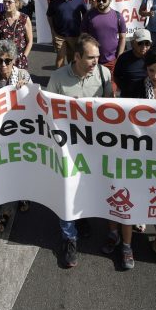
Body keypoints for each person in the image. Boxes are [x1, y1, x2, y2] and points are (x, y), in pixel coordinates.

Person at [102, 47, 156, 270]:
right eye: (151, 71)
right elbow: (123, 118)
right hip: (139, 155)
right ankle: (130, 232)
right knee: (137, 193)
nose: (155, 76)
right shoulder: (136, 87)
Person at [46, 34, 113, 268]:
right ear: (76, 56)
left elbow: (110, 108)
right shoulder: (57, 78)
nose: (96, 62)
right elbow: (47, 112)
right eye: (91, 57)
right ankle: (69, 238)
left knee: (85, 185)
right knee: (67, 188)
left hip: (93, 145)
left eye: (98, 57)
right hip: (66, 147)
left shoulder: (104, 74)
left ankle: (80, 218)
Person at [0, 39, 32, 231]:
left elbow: (35, 101)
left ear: (14, 60)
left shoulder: (23, 75)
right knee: (6, 170)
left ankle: (23, 194)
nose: (3, 65)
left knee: (19, 168)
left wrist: (26, 89)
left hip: (21, 131)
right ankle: (5, 212)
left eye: (8, 60)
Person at [82, 0, 127, 76]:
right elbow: (83, 36)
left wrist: (119, 57)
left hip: (111, 62)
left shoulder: (118, 16)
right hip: (92, 61)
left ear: (110, 0)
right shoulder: (88, 15)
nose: (101, 2)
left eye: (104, 0)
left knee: (110, 85)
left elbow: (122, 38)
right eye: (99, 0)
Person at [46, 0, 87, 69]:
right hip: (59, 35)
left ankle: (71, 75)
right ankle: (59, 76)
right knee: (60, 57)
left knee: (72, 59)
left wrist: (83, 30)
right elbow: (49, 15)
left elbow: (85, 14)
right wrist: (52, 30)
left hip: (74, 35)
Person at [0, 0, 33, 70]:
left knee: (18, 78)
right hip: (1, 60)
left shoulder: (24, 18)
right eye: (5, 2)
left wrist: (23, 57)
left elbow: (30, 41)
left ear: (16, 3)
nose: (6, 4)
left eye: (9, 2)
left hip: (18, 60)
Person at [113, 28, 152, 98]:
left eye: (147, 43)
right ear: (132, 43)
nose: (144, 47)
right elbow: (116, 76)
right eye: (140, 43)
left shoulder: (153, 58)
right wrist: (125, 89)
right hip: (128, 98)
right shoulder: (123, 58)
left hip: (149, 98)